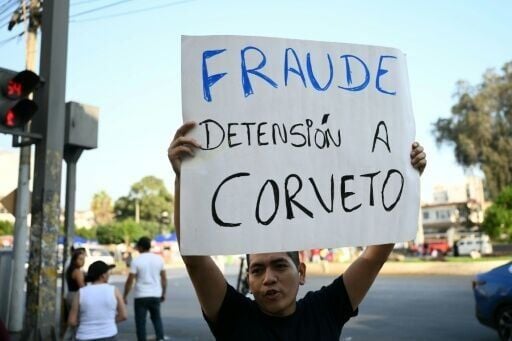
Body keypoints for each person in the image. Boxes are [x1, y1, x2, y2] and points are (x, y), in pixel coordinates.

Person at [168, 121, 427, 340]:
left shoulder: (324, 310)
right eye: (257, 270)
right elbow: (195, 260)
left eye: (279, 265)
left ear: (301, 272)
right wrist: (184, 179)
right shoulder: (233, 316)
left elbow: (374, 258)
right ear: (249, 280)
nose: (268, 278)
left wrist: (407, 176)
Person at [68, 261, 127, 341]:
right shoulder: (114, 290)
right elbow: (123, 315)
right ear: (102, 276)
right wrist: (109, 321)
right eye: (107, 273)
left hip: (84, 336)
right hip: (108, 334)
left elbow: (72, 321)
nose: (109, 275)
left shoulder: (81, 292)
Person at [123, 237, 167, 341]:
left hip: (141, 296)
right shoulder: (159, 259)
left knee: (140, 322)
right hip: (156, 295)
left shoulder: (136, 261)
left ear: (140, 247)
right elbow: (164, 278)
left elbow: (130, 280)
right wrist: (163, 293)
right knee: (157, 319)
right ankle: (160, 338)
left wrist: (125, 295)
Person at [63, 249, 86, 341]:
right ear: (74, 260)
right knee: (77, 322)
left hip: (70, 295)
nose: (82, 261)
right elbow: (82, 287)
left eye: (83, 259)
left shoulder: (70, 270)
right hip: (76, 297)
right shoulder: (77, 272)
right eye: (80, 259)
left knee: (72, 323)